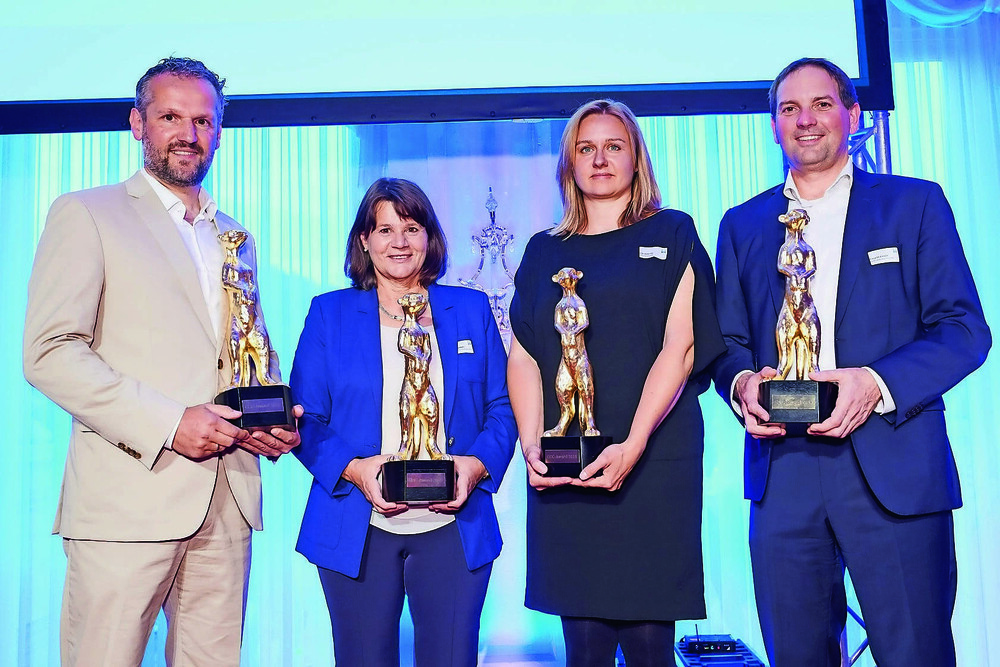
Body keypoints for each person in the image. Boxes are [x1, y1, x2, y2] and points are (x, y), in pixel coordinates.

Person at [22, 57, 301, 666]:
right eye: (170, 117)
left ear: (219, 132)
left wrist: (272, 419)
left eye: (202, 120)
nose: (188, 133)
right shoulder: (87, 213)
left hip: (228, 500)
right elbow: (50, 352)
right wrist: (171, 423)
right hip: (127, 500)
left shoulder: (236, 236)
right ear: (137, 124)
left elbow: (246, 353)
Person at [712, 57, 991, 666]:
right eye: (789, 109)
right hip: (784, 473)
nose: (805, 120)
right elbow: (726, 343)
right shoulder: (742, 225)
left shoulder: (915, 204)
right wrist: (742, 383)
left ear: (853, 114)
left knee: (915, 655)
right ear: (773, 125)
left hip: (894, 466)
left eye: (821, 105)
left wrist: (874, 382)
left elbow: (964, 330)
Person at [507, 99, 726, 666]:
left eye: (613, 146)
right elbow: (525, 354)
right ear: (569, 163)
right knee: (583, 648)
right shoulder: (543, 250)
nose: (599, 159)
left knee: (651, 648)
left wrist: (632, 444)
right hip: (568, 467)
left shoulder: (673, 231)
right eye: (586, 148)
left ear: (636, 158)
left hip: (653, 463)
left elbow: (681, 348)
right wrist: (532, 446)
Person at [289, 177, 516, 667]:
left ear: (429, 238)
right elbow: (305, 420)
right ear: (364, 240)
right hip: (355, 524)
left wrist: (475, 466)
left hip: (455, 525)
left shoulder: (471, 309)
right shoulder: (330, 313)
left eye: (412, 228)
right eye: (385, 229)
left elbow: (502, 408)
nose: (399, 242)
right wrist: (355, 470)